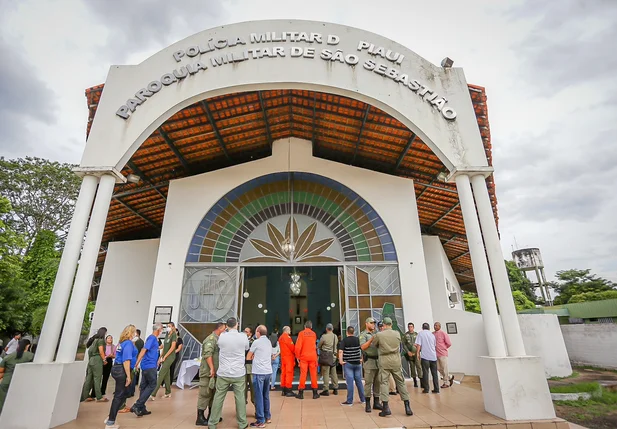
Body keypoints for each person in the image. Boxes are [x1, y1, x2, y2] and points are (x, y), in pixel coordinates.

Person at [207, 317, 249, 429]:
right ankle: (242, 423)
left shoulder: (222, 336)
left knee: (218, 397)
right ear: (237, 324)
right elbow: (246, 347)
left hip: (223, 372)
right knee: (240, 398)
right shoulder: (243, 336)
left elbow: (219, 346)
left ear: (227, 326)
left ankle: (212, 423)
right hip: (238, 372)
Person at [366, 317, 413, 417]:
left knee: (384, 382)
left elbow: (374, 344)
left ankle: (386, 407)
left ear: (383, 325)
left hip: (384, 360)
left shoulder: (379, 335)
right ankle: (407, 406)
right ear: (391, 324)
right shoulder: (397, 333)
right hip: (396, 360)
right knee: (400, 382)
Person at [104, 325, 137, 429]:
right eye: (134, 332)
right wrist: (128, 376)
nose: (136, 334)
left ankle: (110, 416)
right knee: (119, 395)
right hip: (122, 370)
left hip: (117, 369)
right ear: (131, 333)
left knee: (124, 393)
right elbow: (126, 360)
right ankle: (110, 422)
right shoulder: (127, 344)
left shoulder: (121, 343)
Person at [196, 322, 227, 426]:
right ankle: (200, 417)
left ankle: (211, 415)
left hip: (216, 373)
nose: (225, 331)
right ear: (220, 328)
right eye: (224, 329)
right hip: (208, 372)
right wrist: (212, 368)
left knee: (213, 394)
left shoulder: (218, 339)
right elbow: (208, 354)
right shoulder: (211, 339)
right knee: (205, 394)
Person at [130, 323, 164, 417]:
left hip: (148, 365)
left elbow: (153, 350)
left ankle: (141, 408)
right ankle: (137, 405)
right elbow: (144, 350)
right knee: (153, 384)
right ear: (158, 330)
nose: (162, 332)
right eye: (161, 330)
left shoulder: (154, 340)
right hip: (149, 366)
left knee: (144, 386)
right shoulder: (152, 338)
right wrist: (137, 363)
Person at [247, 325, 273, 428]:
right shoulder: (268, 342)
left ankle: (260, 420)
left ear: (258, 332)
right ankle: (268, 416)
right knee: (265, 395)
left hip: (259, 372)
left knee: (258, 396)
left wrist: (254, 356)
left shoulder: (256, 342)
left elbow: (248, 356)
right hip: (268, 372)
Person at [0, 338, 34, 415]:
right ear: (28, 346)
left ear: (18, 345)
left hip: (6, 381)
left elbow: (1, 370)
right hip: (22, 382)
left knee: (3, 402)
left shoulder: (9, 356)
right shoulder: (31, 356)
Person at [359, 317, 382, 413]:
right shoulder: (363, 335)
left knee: (378, 382)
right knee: (368, 383)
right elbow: (363, 347)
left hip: (378, 361)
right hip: (369, 361)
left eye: (374, 323)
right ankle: (367, 403)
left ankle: (376, 402)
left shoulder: (377, 333)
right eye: (371, 323)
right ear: (366, 323)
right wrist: (372, 339)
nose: (373, 325)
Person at [338, 326, 365, 406]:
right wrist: (361, 359)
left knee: (350, 383)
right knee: (359, 382)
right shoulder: (358, 340)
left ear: (347, 332)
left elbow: (340, 351)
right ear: (353, 332)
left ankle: (349, 401)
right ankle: (363, 399)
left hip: (348, 364)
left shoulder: (344, 341)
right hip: (357, 363)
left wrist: (341, 361)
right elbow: (363, 349)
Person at [81, 327, 108, 403]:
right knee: (97, 378)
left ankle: (85, 396)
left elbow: (89, 351)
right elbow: (101, 351)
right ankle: (99, 397)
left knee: (89, 379)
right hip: (97, 360)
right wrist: (104, 359)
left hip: (91, 360)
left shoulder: (94, 340)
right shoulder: (100, 341)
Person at [151, 322, 177, 399]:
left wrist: (165, 356)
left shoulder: (174, 335)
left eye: (169, 326)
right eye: (167, 326)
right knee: (166, 375)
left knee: (161, 373)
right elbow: (165, 347)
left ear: (173, 327)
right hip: (165, 356)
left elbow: (172, 347)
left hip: (170, 357)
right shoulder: (166, 335)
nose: (168, 328)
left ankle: (153, 393)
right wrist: (161, 356)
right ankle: (168, 392)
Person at [295, 320, 319, 400]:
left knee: (303, 374)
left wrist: (297, 357)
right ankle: (315, 393)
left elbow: (298, 347)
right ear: (311, 327)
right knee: (313, 375)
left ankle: (301, 393)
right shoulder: (314, 334)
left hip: (304, 357)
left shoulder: (301, 333)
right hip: (313, 357)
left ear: (305, 326)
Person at [415, 322, 439, 394]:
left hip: (425, 357)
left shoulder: (420, 334)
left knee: (425, 373)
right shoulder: (432, 335)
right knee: (434, 374)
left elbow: (418, 344)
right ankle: (436, 389)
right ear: (428, 328)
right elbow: (434, 345)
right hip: (433, 356)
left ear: (422, 328)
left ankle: (426, 389)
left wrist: (417, 353)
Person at [317, 323, 339, 396]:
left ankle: (326, 389)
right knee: (334, 373)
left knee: (326, 373)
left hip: (326, 357)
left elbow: (319, 345)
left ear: (326, 329)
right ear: (332, 329)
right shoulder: (335, 336)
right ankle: (335, 388)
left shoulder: (324, 337)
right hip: (333, 356)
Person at [433, 322, 454, 388]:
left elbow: (449, 343)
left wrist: (443, 348)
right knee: (438, 368)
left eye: (437, 325)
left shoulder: (443, 333)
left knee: (444, 368)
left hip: (443, 354)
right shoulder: (432, 334)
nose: (435, 326)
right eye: (434, 325)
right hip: (435, 354)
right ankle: (449, 377)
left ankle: (446, 383)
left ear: (439, 326)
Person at [403, 322, 422, 388]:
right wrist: (408, 351)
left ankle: (421, 381)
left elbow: (420, 343)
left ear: (413, 327)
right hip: (410, 354)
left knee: (419, 367)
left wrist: (418, 351)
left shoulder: (417, 334)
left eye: (411, 327)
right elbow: (404, 344)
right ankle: (415, 381)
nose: (410, 328)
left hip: (416, 353)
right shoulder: (405, 335)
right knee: (412, 367)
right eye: (409, 327)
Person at [278, 326, 296, 397]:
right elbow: (292, 347)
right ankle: (288, 389)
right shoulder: (287, 337)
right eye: (290, 330)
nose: (290, 332)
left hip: (283, 357)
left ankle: (283, 389)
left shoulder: (280, 337)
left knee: (283, 373)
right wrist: (296, 353)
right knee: (289, 373)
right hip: (289, 358)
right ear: (287, 330)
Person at [128, 329, 145, 398]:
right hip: (137, 360)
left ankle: (129, 392)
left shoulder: (134, 342)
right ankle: (132, 391)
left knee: (131, 375)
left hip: (133, 361)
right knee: (134, 375)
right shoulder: (141, 341)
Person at [244, 326, 256, 407]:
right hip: (243, 366)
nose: (245, 333)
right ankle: (242, 405)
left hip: (251, 366)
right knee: (242, 387)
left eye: (247, 332)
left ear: (250, 334)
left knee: (253, 387)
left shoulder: (253, 342)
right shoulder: (241, 341)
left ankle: (256, 408)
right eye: (244, 331)